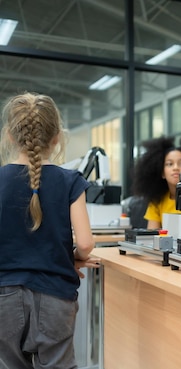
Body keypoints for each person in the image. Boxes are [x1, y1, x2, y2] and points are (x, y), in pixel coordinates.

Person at [0, 92, 100, 369]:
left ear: (9, 135)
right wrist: (74, 258)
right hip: (55, 295)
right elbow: (86, 243)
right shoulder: (70, 180)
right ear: (56, 137)